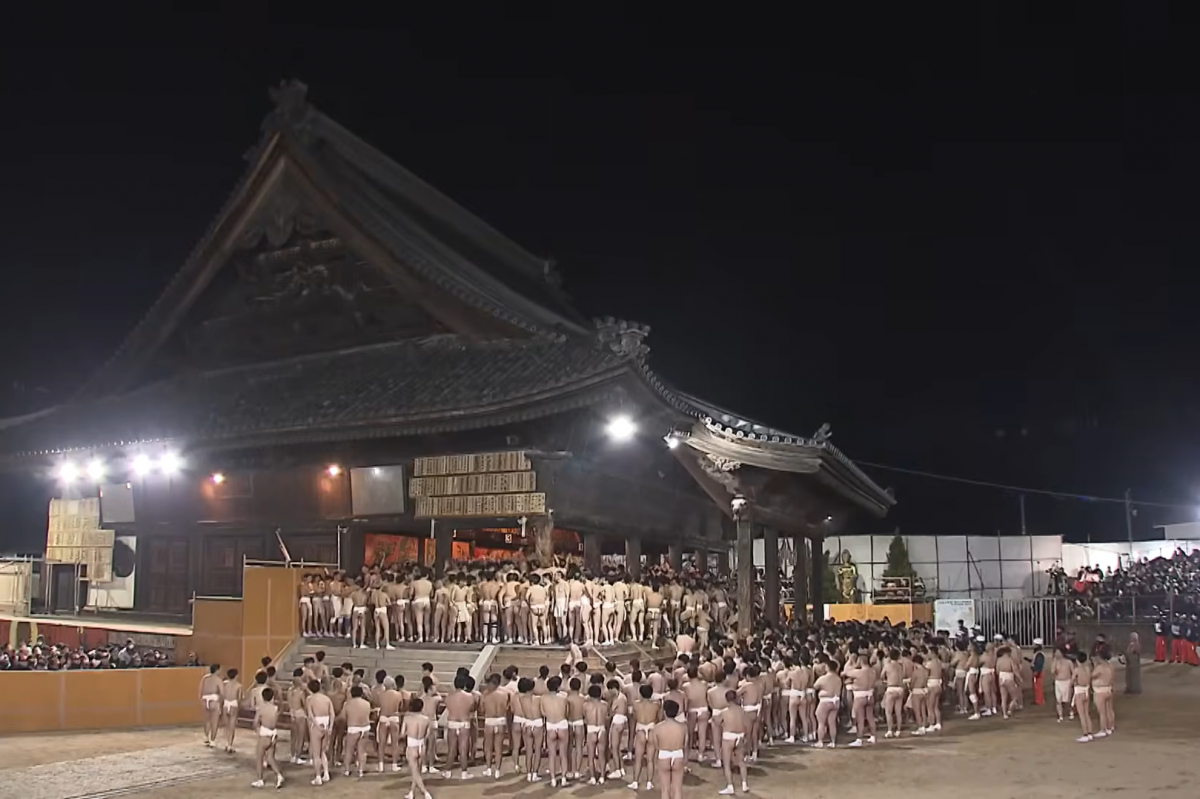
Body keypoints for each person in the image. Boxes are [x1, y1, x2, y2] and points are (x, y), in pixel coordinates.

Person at [251, 687, 285, 789]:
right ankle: (279, 775)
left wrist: (257, 730)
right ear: (272, 697)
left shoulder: (261, 709)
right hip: (273, 734)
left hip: (264, 734)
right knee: (270, 758)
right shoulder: (275, 708)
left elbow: (255, 722)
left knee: (259, 758)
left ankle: (260, 779)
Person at [654, 698, 687, 799]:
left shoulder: (657, 728)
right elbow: (685, 744)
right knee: (677, 789)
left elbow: (656, 746)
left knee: (665, 790)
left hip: (663, 755)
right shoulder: (683, 727)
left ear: (664, 712)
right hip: (678, 755)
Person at [402, 697, 433, 799]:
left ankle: (425, 792)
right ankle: (411, 792)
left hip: (412, 746)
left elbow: (402, 733)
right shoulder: (426, 719)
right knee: (417, 772)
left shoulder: (407, 718)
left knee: (415, 773)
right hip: (422, 746)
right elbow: (427, 734)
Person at [1071, 652, 1094, 743]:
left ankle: (1085, 734)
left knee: (1082, 715)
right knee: (1086, 713)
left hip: (1079, 691)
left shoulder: (1077, 670)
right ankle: (1090, 733)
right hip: (1086, 690)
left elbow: (1072, 680)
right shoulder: (1088, 668)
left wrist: (1074, 682)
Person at [199, 663, 222, 748]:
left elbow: (200, 690)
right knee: (214, 722)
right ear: (217, 670)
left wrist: (201, 700)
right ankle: (212, 740)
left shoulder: (204, 678)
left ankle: (206, 737)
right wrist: (220, 703)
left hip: (205, 699)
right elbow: (222, 692)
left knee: (206, 720)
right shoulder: (218, 679)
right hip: (214, 699)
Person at [1030, 638, 1046, 705]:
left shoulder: (1039, 654)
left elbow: (1039, 664)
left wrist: (1036, 672)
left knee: (1038, 687)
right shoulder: (1038, 653)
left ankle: (1039, 701)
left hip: (1037, 672)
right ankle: (1038, 700)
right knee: (1037, 687)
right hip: (1037, 672)